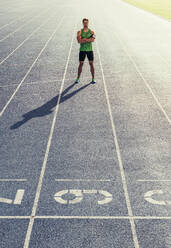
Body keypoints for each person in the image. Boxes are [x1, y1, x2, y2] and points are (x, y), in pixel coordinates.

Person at [75, 18, 96, 84]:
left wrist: (84, 39)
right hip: (82, 50)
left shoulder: (92, 32)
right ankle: (78, 78)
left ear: (88, 23)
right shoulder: (79, 32)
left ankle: (93, 78)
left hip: (90, 50)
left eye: (87, 23)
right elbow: (79, 41)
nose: (85, 24)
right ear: (83, 23)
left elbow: (93, 40)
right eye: (84, 23)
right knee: (81, 64)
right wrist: (88, 39)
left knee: (91, 64)